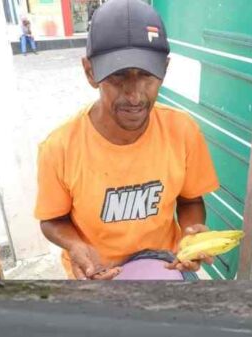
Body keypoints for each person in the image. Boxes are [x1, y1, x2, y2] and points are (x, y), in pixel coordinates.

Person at [34, 0, 220, 280]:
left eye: (146, 76)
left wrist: (191, 235)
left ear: (164, 70)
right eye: (118, 76)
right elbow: (51, 220)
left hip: (164, 267)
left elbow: (191, 200)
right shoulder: (59, 148)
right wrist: (75, 245)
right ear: (90, 72)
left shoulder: (183, 132)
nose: (134, 96)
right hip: (97, 272)